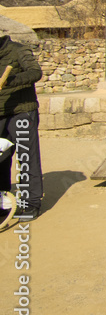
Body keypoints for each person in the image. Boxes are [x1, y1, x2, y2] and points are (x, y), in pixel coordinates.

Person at [0, 33, 43, 222]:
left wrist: (10, 80)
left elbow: (35, 72)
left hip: (22, 112)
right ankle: (3, 202)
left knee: (26, 157)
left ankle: (31, 203)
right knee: (1, 158)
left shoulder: (18, 50)